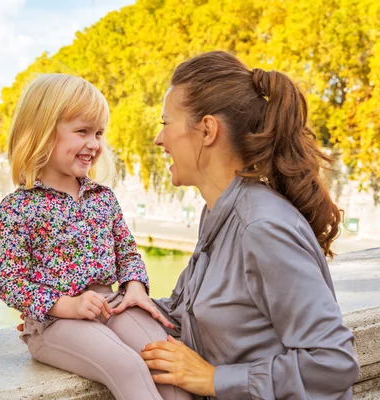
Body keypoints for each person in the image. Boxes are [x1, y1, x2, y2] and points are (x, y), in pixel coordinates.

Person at [138, 51, 360, 399]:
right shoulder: (217, 212)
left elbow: (333, 361)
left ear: (207, 130)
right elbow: (189, 313)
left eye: (166, 123)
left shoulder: (261, 227)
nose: (159, 140)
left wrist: (214, 379)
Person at [0, 73, 191, 400]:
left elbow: (127, 254)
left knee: (163, 358)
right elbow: (10, 281)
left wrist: (135, 287)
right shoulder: (17, 207)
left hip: (110, 303)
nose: (95, 144)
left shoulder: (103, 197)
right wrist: (66, 306)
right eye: (82, 131)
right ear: (41, 132)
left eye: (99, 133)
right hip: (53, 322)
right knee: (126, 365)